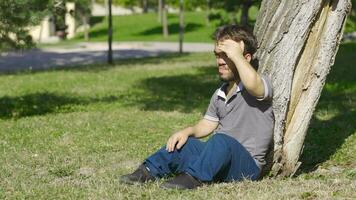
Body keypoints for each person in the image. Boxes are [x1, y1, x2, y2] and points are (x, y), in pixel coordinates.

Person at [120, 25, 274, 189]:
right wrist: (188, 132)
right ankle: (147, 171)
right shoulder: (220, 93)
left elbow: (253, 85)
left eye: (226, 55)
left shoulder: (260, 84)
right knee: (185, 144)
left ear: (246, 58)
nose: (220, 61)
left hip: (246, 166)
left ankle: (193, 178)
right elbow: (208, 123)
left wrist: (237, 55)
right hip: (219, 157)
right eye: (217, 55)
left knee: (221, 140)